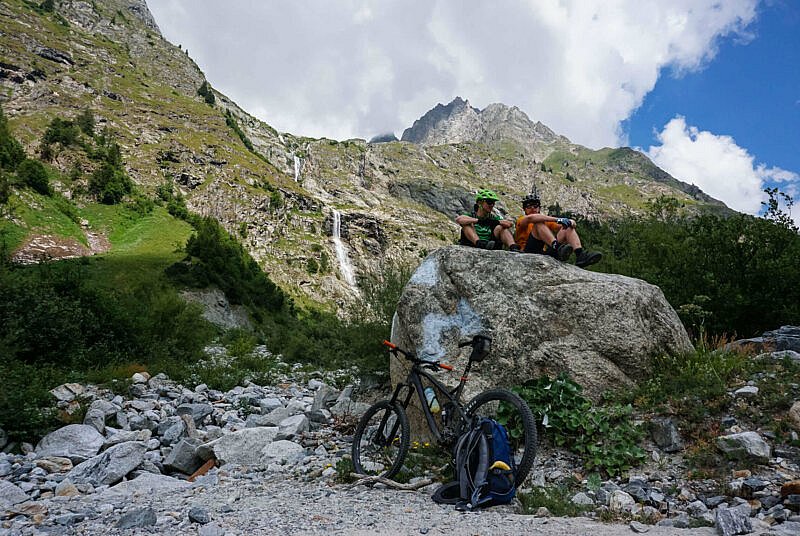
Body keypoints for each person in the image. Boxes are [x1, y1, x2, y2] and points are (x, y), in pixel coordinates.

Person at [515, 192, 602, 267]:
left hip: (543, 252)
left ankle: (580, 255)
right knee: (538, 223)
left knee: (567, 227)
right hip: (527, 252)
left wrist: (570, 222)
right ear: (524, 209)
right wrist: (558, 219)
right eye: (529, 206)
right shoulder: (522, 220)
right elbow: (531, 218)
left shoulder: (546, 221)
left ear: (539, 208)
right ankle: (557, 247)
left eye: (535, 206)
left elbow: (569, 225)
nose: (532, 208)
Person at [456, 189, 520, 251]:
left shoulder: (492, 217)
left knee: (501, 227)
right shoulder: (471, 215)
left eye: (493, 203)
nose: (492, 205)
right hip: (471, 243)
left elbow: (509, 224)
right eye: (489, 202)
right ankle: (479, 243)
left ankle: (513, 247)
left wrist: (492, 222)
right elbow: (459, 219)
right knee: (467, 225)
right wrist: (479, 221)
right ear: (479, 203)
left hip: (489, 243)